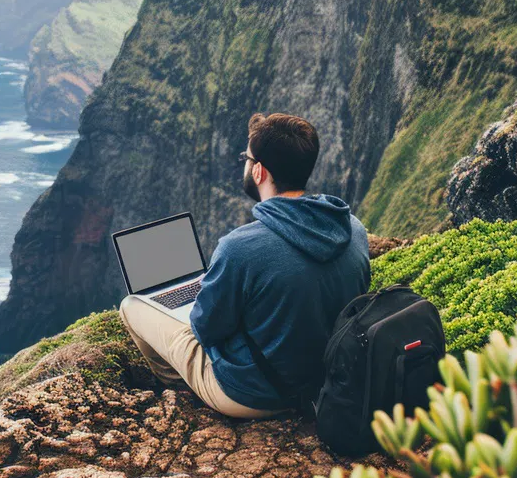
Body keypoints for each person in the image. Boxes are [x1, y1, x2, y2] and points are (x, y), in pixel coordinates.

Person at [118, 112, 371, 419]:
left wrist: (210, 293)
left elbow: (206, 328)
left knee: (132, 305)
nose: (246, 164)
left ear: (259, 171)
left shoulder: (240, 248)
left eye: (247, 158)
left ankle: (184, 390)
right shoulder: (353, 228)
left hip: (252, 396)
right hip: (325, 380)